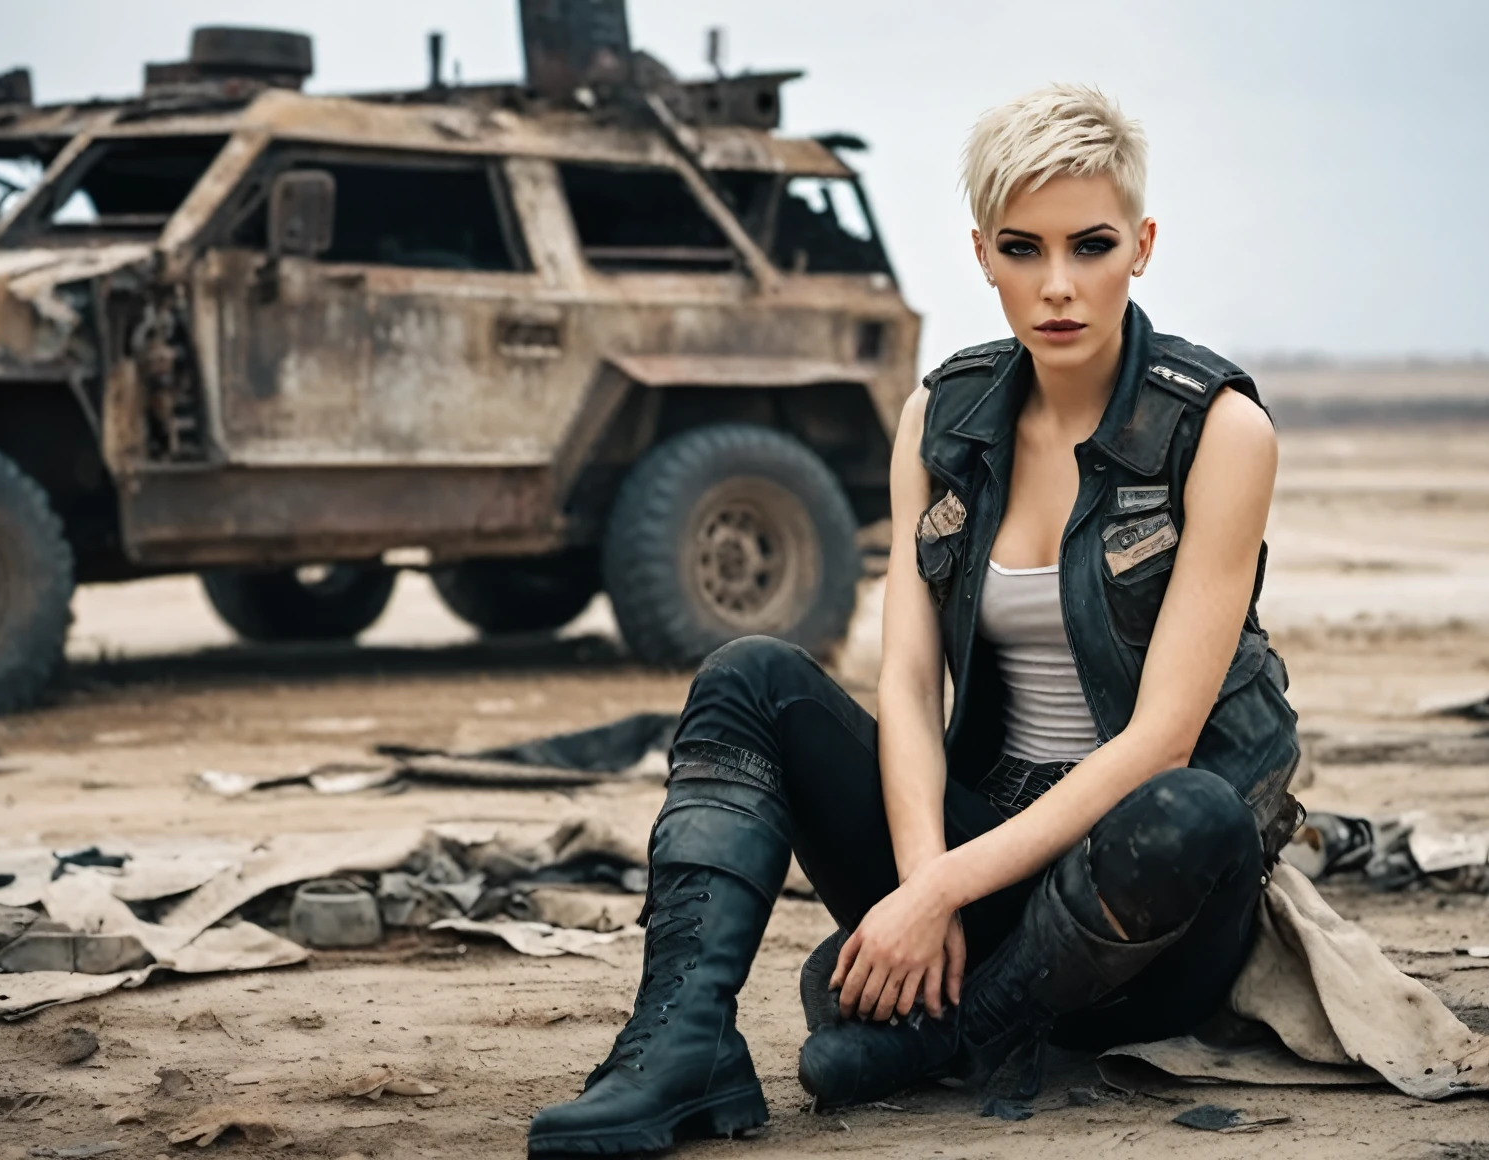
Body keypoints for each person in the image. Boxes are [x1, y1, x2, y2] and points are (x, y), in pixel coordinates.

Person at [527, 83, 1304, 1156]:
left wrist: (932, 890)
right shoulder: (940, 421)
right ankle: (680, 1048)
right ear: (983, 252)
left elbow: (1159, 738)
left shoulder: (1217, 429)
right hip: (983, 838)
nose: (1059, 285)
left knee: (1192, 807)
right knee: (750, 674)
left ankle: (962, 1032)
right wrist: (921, 886)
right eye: (1024, 250)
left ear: (1143, 244)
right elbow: (904, 679)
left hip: (1151, 904)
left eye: (1091, 245)